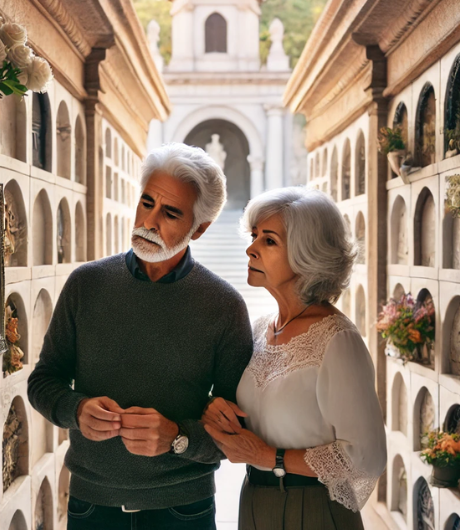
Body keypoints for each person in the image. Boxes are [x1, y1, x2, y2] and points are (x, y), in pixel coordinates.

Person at [27, 143, 253, 530]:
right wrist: (76, 410)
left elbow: (236, 431)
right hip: (91, 506)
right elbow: (42, 382)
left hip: (184, 511)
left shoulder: (224, 306)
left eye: (170, 213)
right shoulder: (87, 284)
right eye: (147, 203)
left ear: (199, 228)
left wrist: (177, 437)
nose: (149, 221)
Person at [202, 187, 387, 530]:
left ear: (308, 254)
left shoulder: (337, 340)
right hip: (255, 500)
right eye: (255, 235)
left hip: (313, 508)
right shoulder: (259, 331)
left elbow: (365, 457)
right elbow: (263, 418)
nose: (250, 249)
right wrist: (215, 409)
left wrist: (266, 457)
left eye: (269, 241)